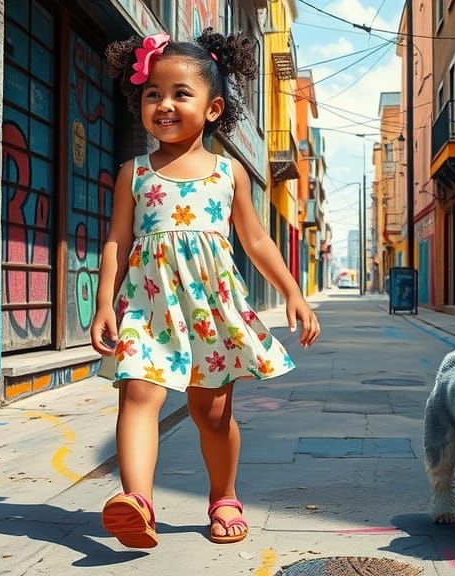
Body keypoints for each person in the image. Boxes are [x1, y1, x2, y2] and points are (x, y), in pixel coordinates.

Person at [90, 29, 320, 548]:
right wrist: (105, 301)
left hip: (208, 309)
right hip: (148, 307)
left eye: (179, 94)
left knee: (211, 414)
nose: (164, 104)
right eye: (153, 93)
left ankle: (224, 495)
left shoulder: (229, 172)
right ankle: (138, 502)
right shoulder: (133, 173)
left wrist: (293, 292)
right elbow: (116, 241)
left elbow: (257, 240)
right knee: (137, 395)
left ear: (214, 109)